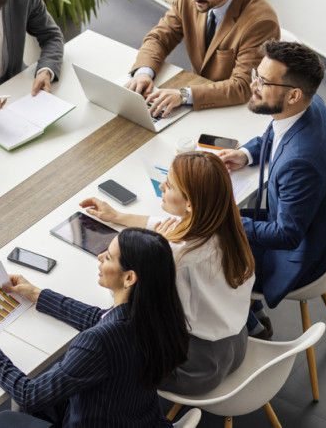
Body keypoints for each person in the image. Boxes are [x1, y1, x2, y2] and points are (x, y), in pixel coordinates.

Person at [0, 228, 189, 427]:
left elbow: (29, 395)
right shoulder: (160, 317)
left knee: (2, 420)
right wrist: (36, 293)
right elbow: (98, 317)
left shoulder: (100, 341)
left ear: (129, 278)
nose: (99, 256)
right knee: (53, 381)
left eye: (108, 257)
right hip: (136, 418)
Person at [80, 151, 256, 395]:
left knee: (107, 349)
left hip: (195, 368)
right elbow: (166, 225)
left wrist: (154, 254)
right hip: (235, 345)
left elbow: (130, 303)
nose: (161, 185)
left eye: (169, 184)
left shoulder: (179, 258)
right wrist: (117, 216)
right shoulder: (227, 230)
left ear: (190, 204)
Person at [216, 40, 326, 339]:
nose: (253, 84)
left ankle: (248, 322)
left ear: (293, 94)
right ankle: (246, 308)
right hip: (321, 225)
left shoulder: (301, 162)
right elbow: (276, 130)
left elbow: (287, 235)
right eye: (257, 73)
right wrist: (248, 153)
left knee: (201, 253)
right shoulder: (310, 104)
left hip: (303, 254)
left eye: (264, 81)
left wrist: (226, 221)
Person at [125, 0, 280, 118]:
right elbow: (160, 37)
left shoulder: (260, 22)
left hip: (236, 110)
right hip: (198, 99)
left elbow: (242, 86)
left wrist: (183, 95)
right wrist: (144, 73)